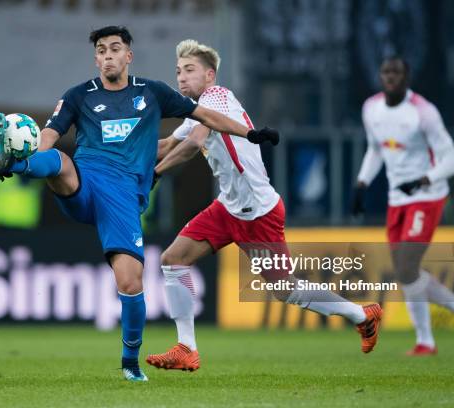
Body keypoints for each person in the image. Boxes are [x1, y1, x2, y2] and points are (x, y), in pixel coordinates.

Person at [0, 26, 280, 382]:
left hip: (123, 198)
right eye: (102, 51)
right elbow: (52, 131)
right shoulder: (78, 96)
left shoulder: (152, 93)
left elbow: (205, 116)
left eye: (115, 49)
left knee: (130, 282)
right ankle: (15, 164)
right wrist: (34, 151)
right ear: (96, 58)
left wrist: (249, 133)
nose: (108, 55)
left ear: (128, 56)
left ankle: (130, 362)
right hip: (86, 181)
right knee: (61, 164)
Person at [145, 39, 383, 372]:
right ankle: (186, 347)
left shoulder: (217, 97)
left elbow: (192, 145)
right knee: (172, 260)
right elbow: (167, 145)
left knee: (285, 291)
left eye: (189, 70)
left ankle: (362, 314)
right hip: (227, 209)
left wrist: (156, 173)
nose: (181, 78)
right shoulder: (194, 111)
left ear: (210, 75)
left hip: (257, 213)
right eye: (178, 72)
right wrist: (122, 151)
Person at [352, 56, 454, 356]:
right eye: (386, 72)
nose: (390, 78)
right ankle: (452, 323)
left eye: (396, 73)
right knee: (405, 272)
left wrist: (424, 179)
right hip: (396, 199)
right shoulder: (371, 108)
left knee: (407, 267)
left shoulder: (424, 112)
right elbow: (376, 149)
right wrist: (361, 183)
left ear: (407, 77)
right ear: (380, 76)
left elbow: (453, 160)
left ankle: (433, 335)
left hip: (427, 196)